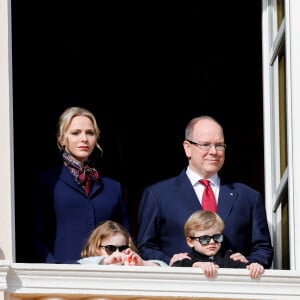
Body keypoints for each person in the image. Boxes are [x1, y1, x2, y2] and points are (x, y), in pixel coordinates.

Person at [137, 115, 274, 268]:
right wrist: (172, 262)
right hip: (180, 286)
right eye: (205, 145)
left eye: (219, 145)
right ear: (187, 148)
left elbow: (263, 248)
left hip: (233, 287)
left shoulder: (248, 197)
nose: (214, 151)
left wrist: (250, 263)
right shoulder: (158, 195)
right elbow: (145, 247)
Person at [33, 106, 130, 263]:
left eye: (90, 133)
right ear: (61, 138)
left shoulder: (112, 188)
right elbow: (35, 236)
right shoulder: (48, 181)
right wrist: (55, 268)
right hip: (59, 277)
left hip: (106, 276)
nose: (84, 139)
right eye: (75, 133)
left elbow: (126, 239)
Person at [171, 210, 264, 279]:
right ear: (190, 242)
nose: (212, 242)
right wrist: (196, 265)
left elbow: (243, 267)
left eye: (217, 237)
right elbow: (174, 267)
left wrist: (253, 266)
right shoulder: (186, 259)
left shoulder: (227, 258)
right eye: (204, 239)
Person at [78, 220, 167, 266]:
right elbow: (78, 265)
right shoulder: (90, 263)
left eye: (122, 248)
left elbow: (164, 267)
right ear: (97, 248)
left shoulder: (129, 264)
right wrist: (105, 262)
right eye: (110, 248)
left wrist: (142, 263)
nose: (117, 253)